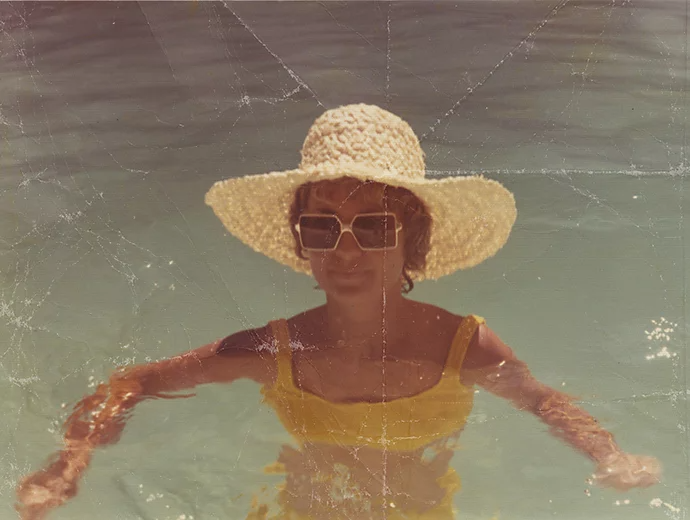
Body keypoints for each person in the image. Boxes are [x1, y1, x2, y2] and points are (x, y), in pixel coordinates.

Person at [16, 104, 661, 520]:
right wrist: (68, 462)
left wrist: (611, 457)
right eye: (324, 230)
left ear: (412, 241)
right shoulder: (277, 352)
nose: (346, 251)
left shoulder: (460, 348)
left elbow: (546, 403)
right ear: (302, 243)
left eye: (374, 228)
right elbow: (134, 381)